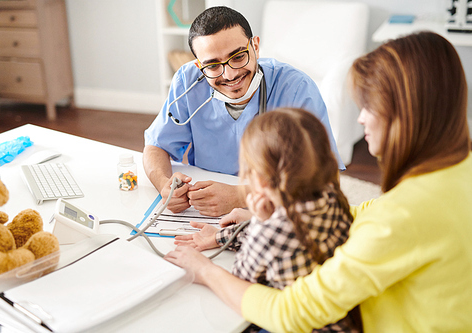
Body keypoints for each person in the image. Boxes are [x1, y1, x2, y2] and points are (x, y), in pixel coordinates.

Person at [164, 31, 472, 332]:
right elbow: (371, 213)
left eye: (369, 106)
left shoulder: (406, 216)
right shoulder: (456, 171)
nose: (361, 118)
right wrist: (275, 219)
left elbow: (291, 313)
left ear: (408, 114)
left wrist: (204, 270)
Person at [143, 6, 344, 217]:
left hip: (275, 210)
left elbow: (327, 179)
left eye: (238, 57)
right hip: (204, 209)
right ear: (199, 65)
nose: (229, 74)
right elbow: (156, 146)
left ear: (255, 46)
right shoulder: (188, 81)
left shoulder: (296, 88)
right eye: (212, 66)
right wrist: (165, 187)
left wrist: (241, 196)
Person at [174, 108, 361, 332]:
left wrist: (200, 266)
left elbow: (241, 284)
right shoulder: (330, 195)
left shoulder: (269, 231)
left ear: (260, 180)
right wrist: (221, 236)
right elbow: (285, 234)